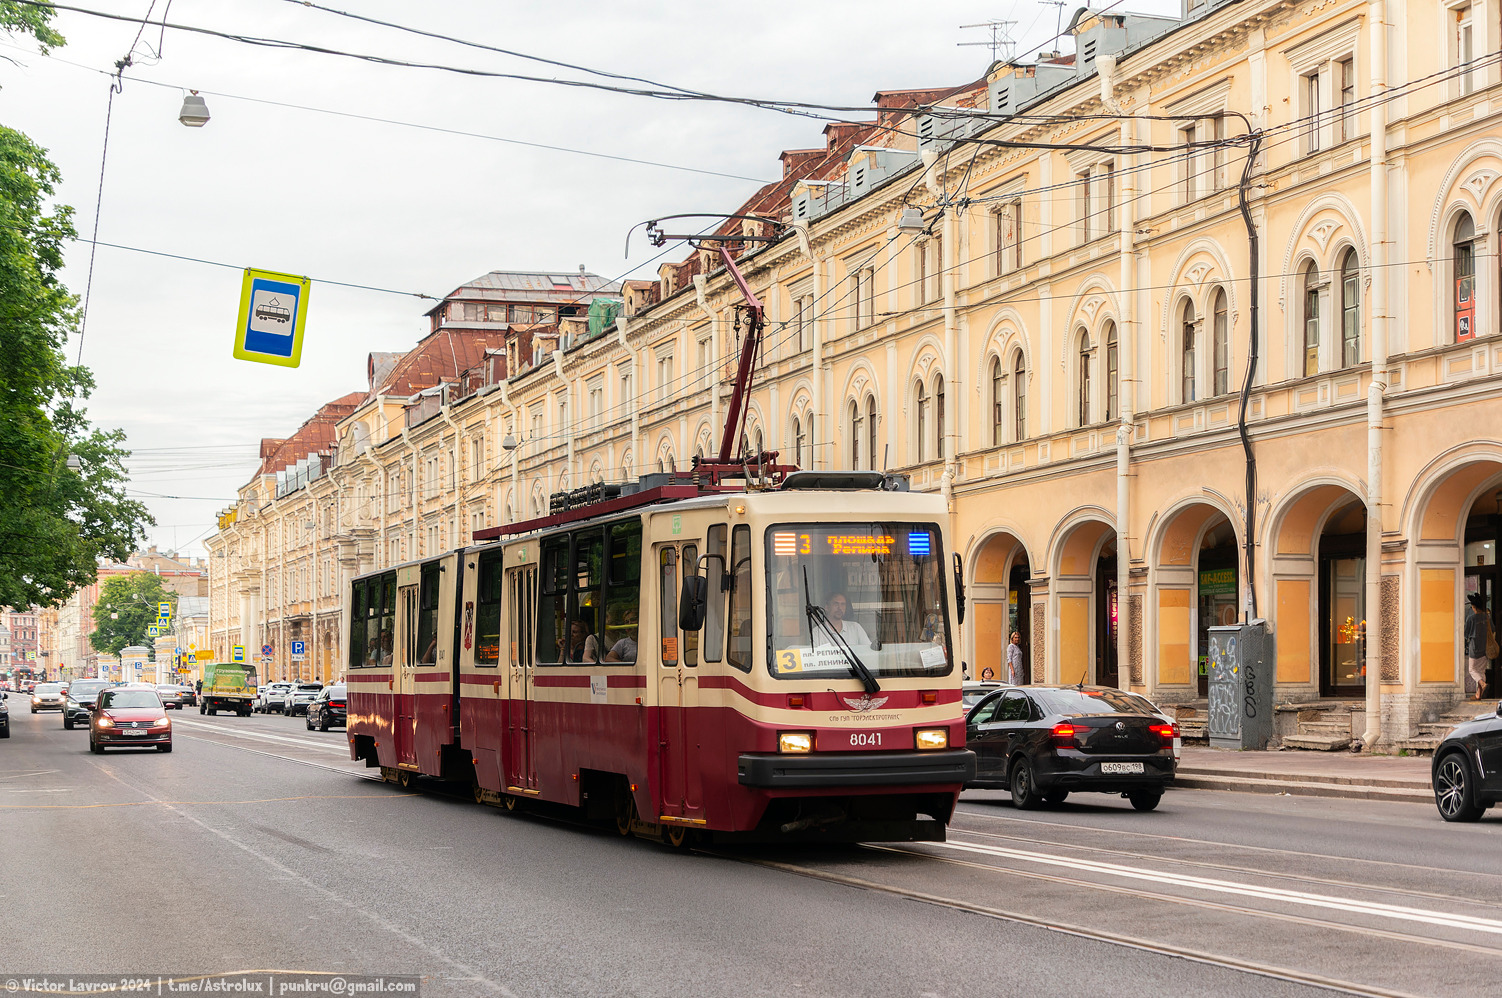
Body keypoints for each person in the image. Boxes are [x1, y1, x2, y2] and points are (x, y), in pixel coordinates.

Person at [1465, 592, 1490, 700]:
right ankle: (1478, 694)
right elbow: (1492, 629)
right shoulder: (1487, 617)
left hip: (1474, 649)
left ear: (1474, 607)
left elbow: (1466, 634)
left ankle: (1483, 684)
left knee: (1472, 670)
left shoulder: (1471, 618)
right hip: (1485, 648)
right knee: (1481, 670)